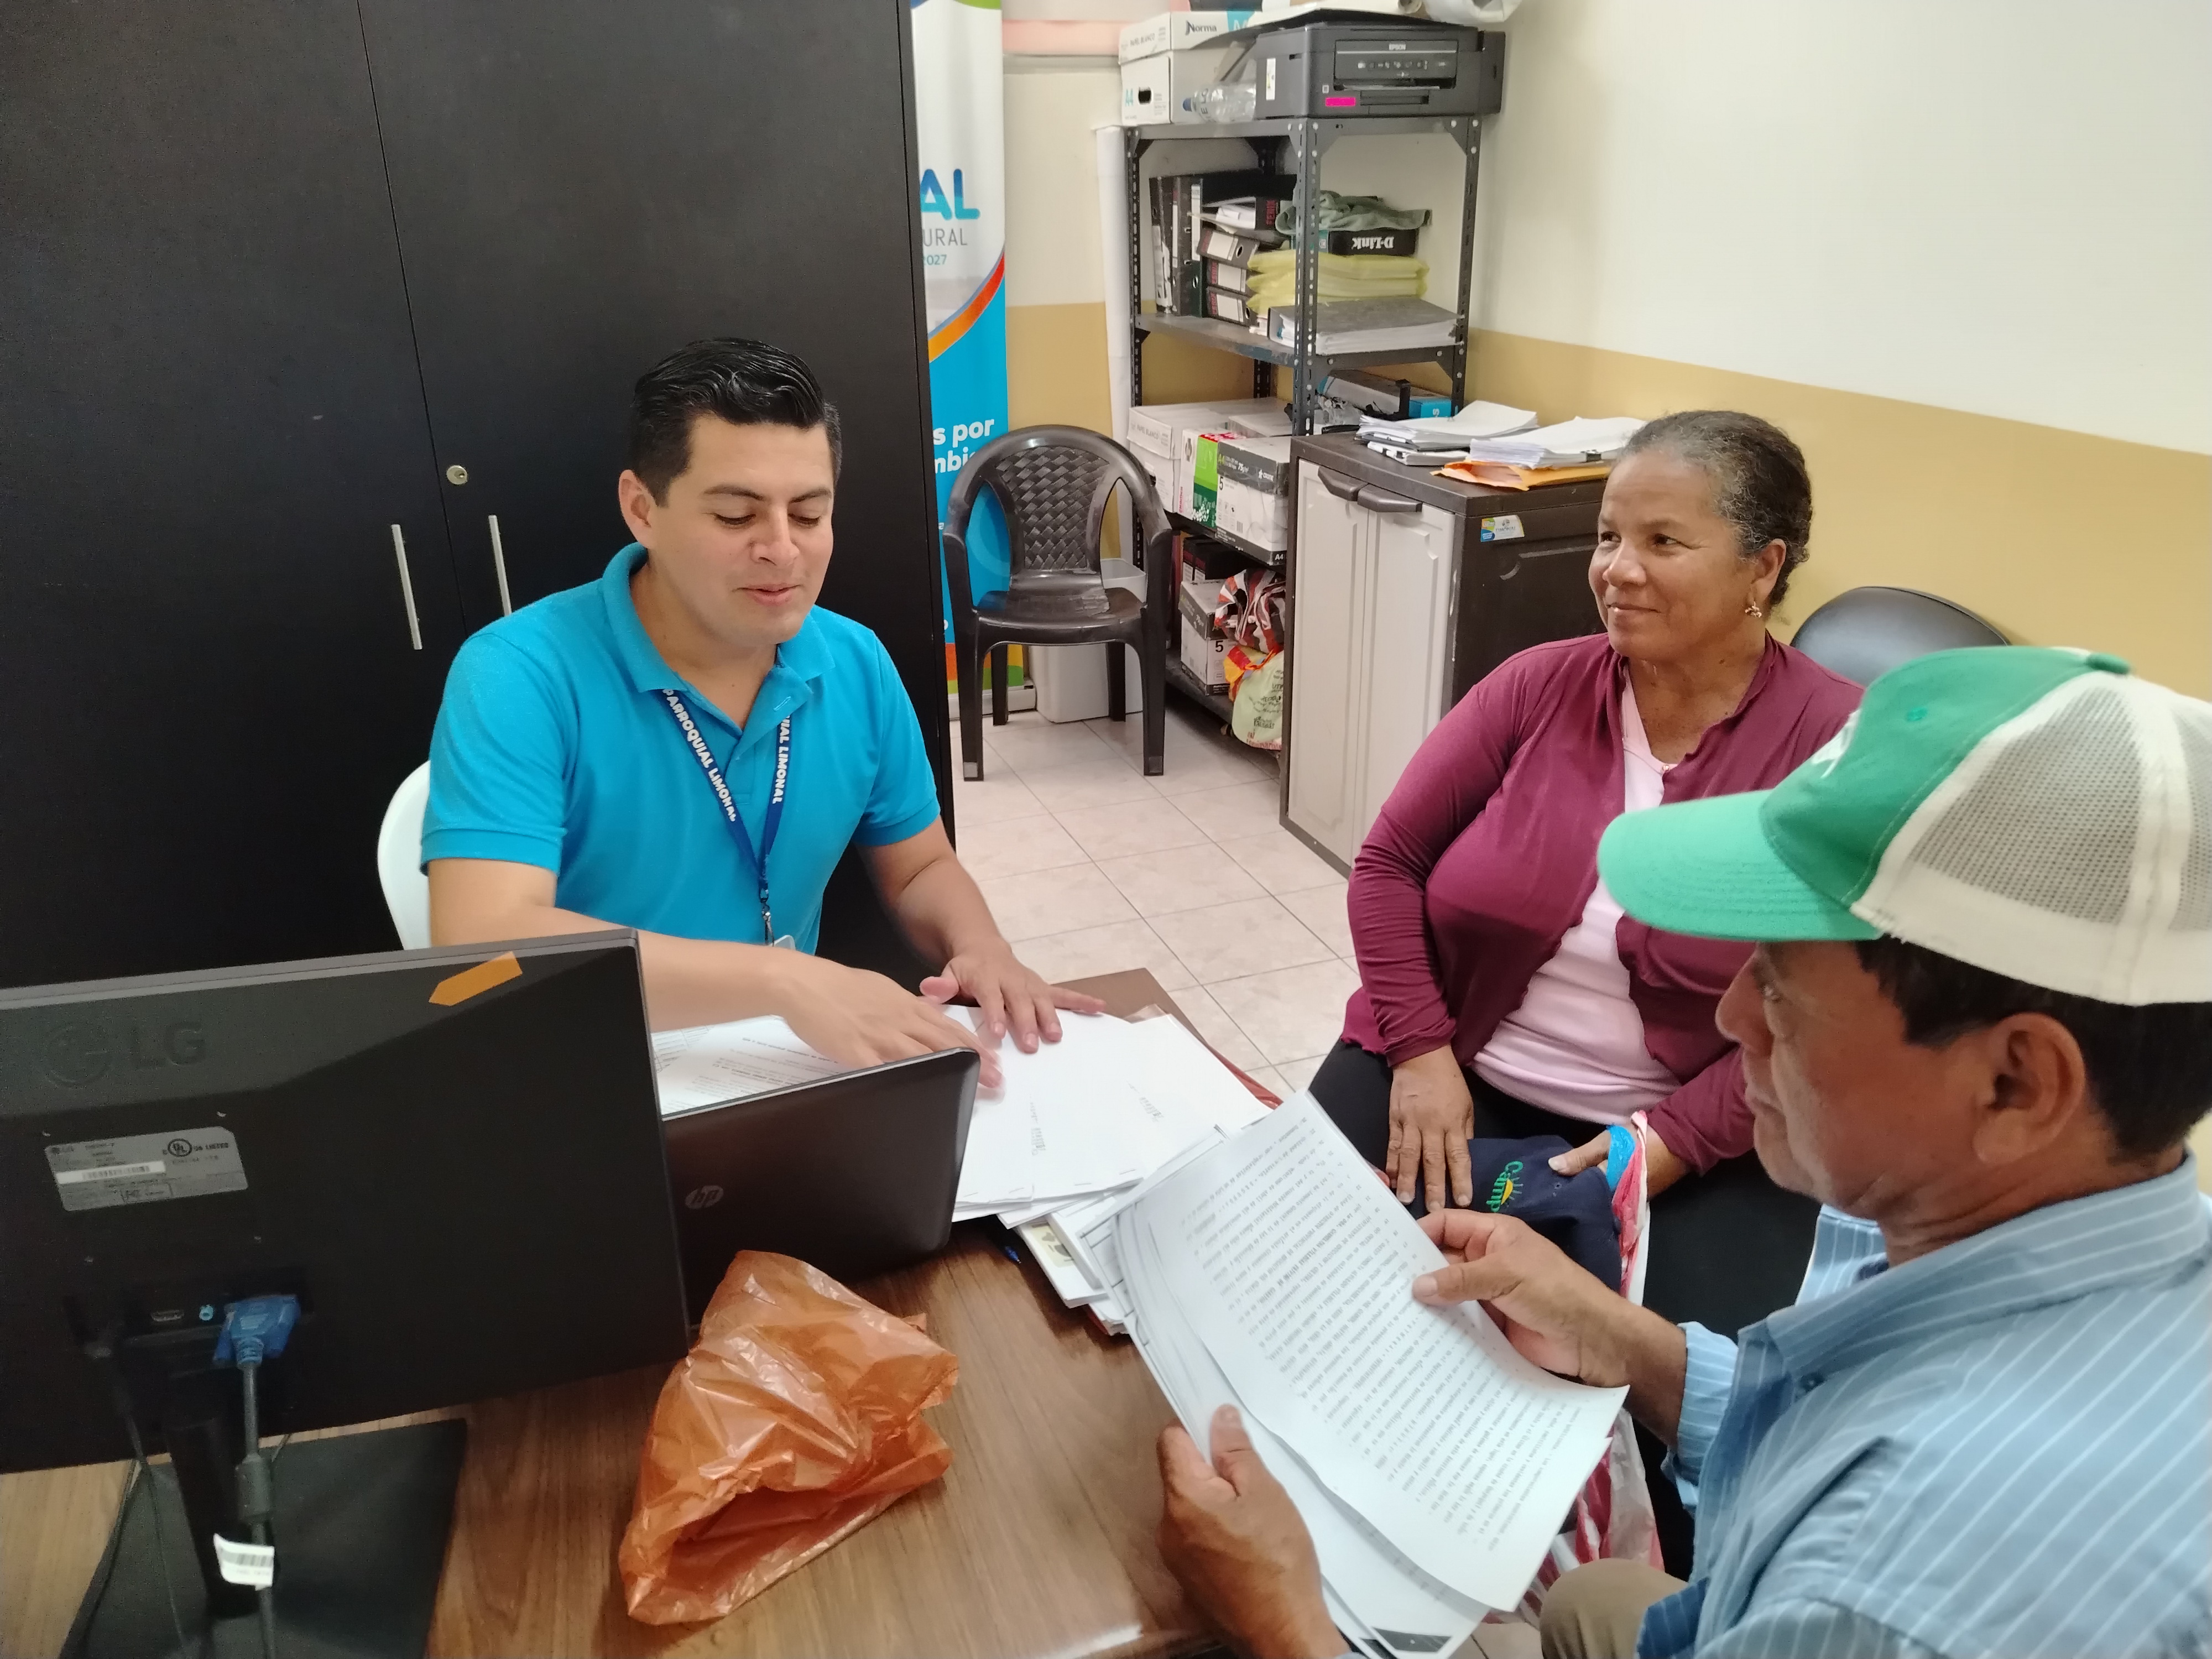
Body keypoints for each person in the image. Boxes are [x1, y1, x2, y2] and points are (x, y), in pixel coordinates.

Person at [1157, 645, 2212, 1659]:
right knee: (1600, 1601)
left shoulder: (1885, 1590)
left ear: (2017, 1084)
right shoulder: (2019, 1222)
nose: (1731, 1014)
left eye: (1783, 991)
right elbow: (1832, 1409)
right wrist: (1624, 1339)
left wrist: (1286, 1629)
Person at [1310, 410, 1862, 1335]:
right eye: (1609, 537)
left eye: (1663, 542)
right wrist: (1419, 1051)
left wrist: (1670, 1141)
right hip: (1449, 1065)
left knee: (1642, 1383)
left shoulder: (1838, 749)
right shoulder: (1535, 687)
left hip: (1701, 1129)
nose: (1617, 569)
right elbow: (1388, 866)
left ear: (1762, 568)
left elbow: (1835, 1017)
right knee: (1312, 1285)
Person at [422, 337, 1095, 1079]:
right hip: (584, 1064)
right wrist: (782, 981)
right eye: (737, 517)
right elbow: (485, 938)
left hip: (775, 1064)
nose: (781, 550)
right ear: (643, 510)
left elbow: (920, 866)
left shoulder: (854, 662)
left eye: (808, 516)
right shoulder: (520, 674)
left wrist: (981, 945)